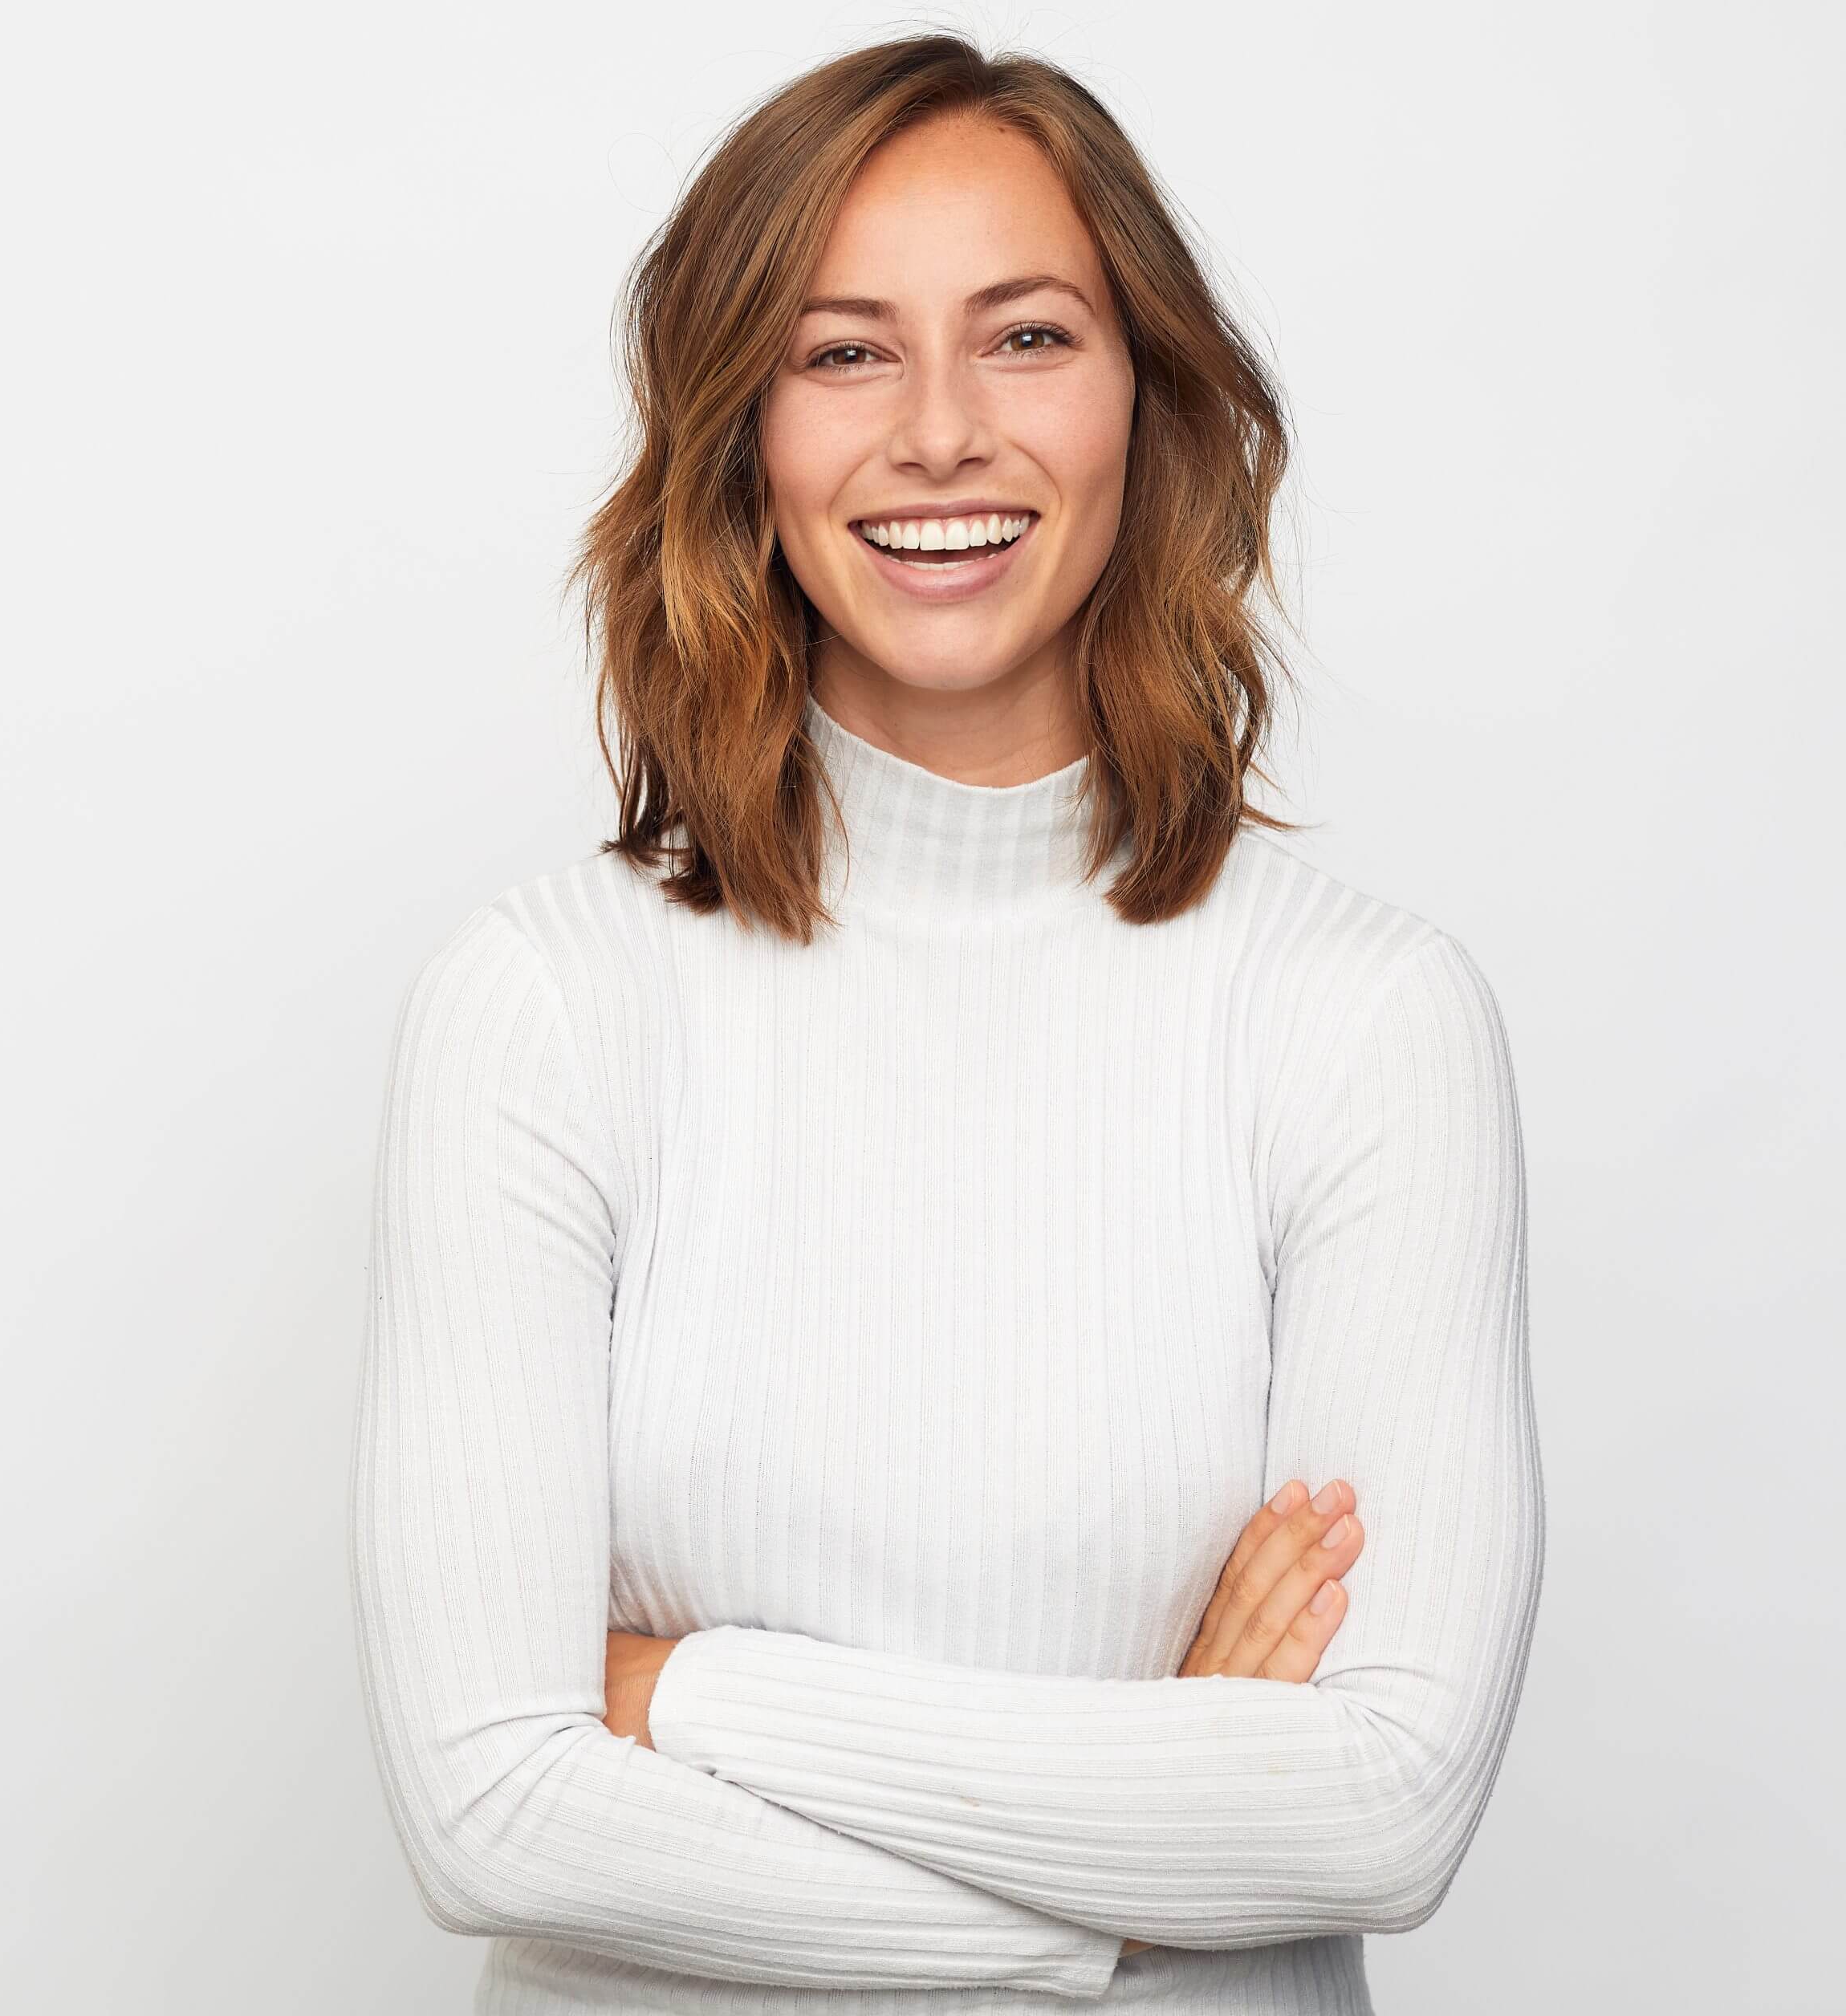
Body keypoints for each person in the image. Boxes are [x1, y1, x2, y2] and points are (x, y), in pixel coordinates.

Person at [348, 30, 1545, 2014]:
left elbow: (1375, 1808)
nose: (935, 434)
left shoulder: (1360, 1018)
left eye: (1024, 337)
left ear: (1143, 400)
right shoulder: (543, 1006)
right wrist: (1137, 1875)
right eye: (840, 351)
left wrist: (678, 1691)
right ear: (740, 432)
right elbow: (490, 1803)